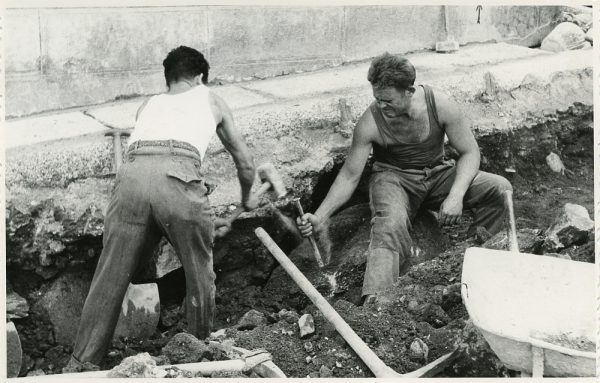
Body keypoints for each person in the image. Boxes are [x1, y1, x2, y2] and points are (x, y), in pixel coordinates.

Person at [64, 46, 257, 371]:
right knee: (199, 272)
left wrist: (192, 184)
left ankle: (81, 363)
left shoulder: (148, 105)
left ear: (169, 79)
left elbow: (156, 162)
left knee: (110, 275)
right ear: (199, 77)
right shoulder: (210, 98)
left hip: (132, 178)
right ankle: (199, 356)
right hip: (178, 179)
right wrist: (247, 198)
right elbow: (245, 163)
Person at [296, 52, 512, 304]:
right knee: (390, 223)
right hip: (393, 180)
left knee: (500, 188)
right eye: (377, 99)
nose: (381, 106)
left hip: (437, 173)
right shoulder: (370, 122)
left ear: (409, 91)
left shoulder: (440, 105)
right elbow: (349, 176)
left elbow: (470, 152)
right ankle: (377, 302)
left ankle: (476, 262)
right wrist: (320, 217)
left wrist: (456, 195)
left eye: (387, 100)